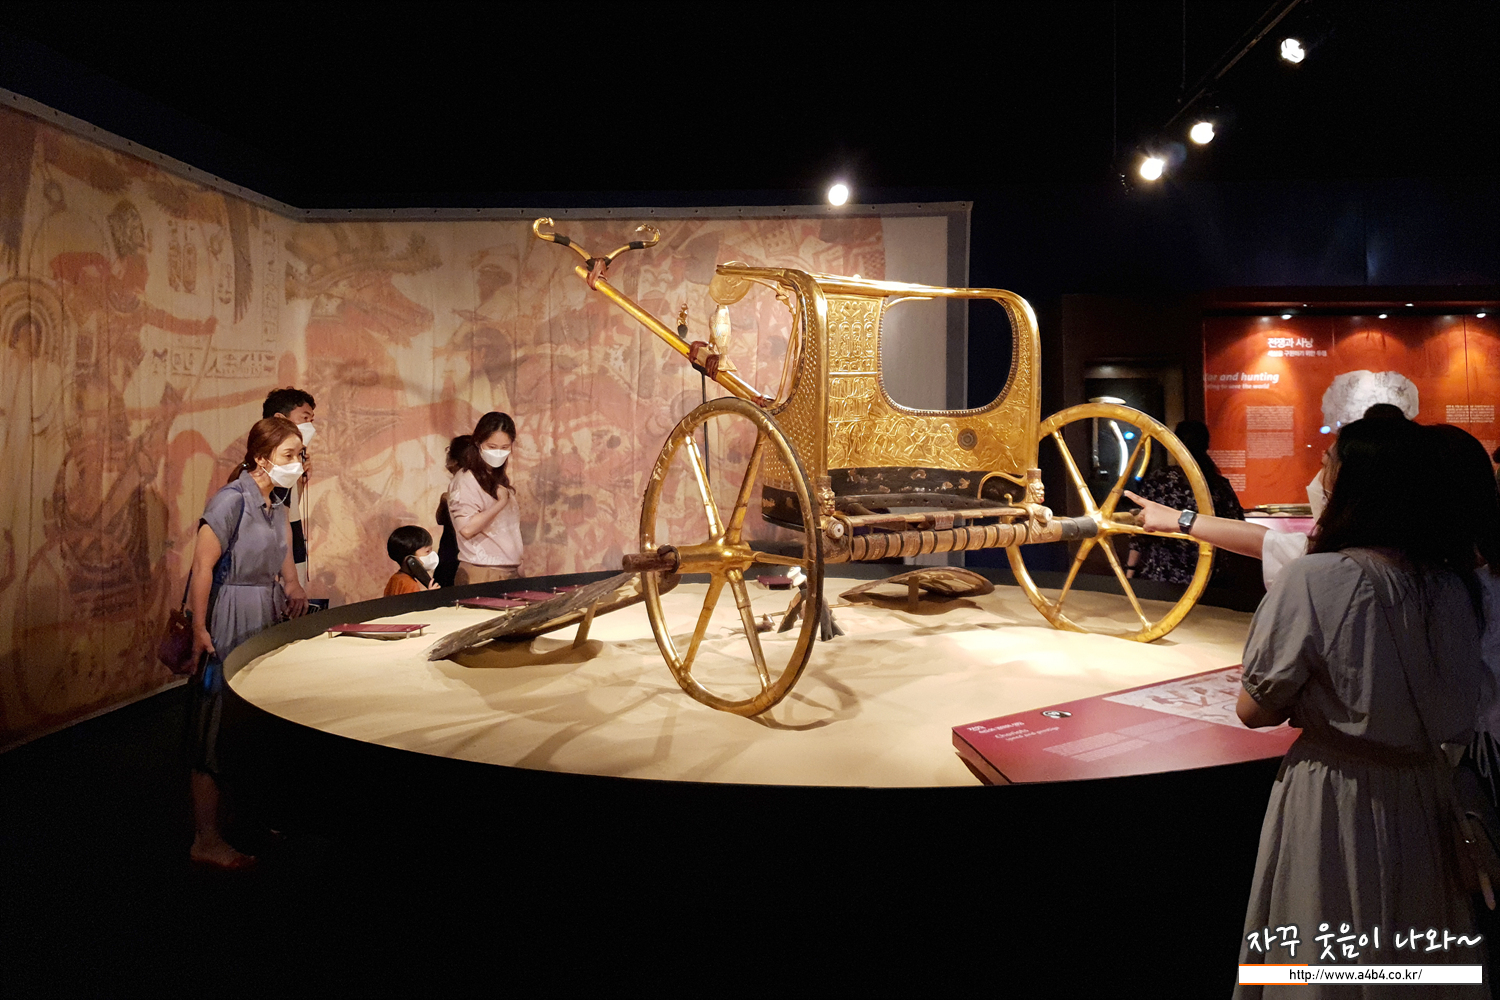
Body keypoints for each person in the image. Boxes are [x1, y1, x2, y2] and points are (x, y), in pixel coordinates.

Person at [1232, 418, 1488, 995]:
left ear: (1353, 481)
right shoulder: (1453, 585)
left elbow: (1255, 710)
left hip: (1335, 794)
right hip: (1425, 794)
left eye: (1328, 461)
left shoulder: (1316, 578)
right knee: (1416, 956)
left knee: (1326, 945)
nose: (1320, 474)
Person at [186, 417, 310, 870]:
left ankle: (246, 817)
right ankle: (206, 837)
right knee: (215, 723)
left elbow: (284, 559)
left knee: (252, 722)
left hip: (263, 616)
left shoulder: (276, 506)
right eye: (288, 455)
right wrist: (200, 627)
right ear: (261, 458)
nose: (297, 463)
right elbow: (202, 566)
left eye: (299, 455)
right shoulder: (231, 500)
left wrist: (293, 587)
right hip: (230, 615)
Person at [1124, 420, 1244, 583]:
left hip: (1165, 574)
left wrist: (1130, 569)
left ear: (1176, 444)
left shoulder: (1160, 480)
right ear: (1206, 445)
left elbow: (1141, 530)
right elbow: (1236, 525)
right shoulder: (1219, 485)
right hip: (1211, 573)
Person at [447, 412, 523, 585]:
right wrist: (500, 503)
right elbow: (466, 528)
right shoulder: (466, 479)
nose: (498, 452)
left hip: (509, 570)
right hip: (482, 572)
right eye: (492, 446)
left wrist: (519, 564)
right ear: (478, 443)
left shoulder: (498, 479)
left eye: (505, 447)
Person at [262, 387, 317, 588]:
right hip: (274, 542)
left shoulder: (295, 461)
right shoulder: (267, 463)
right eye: (305, 418)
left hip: (293, 533)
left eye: (312, 420)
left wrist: (300, 481)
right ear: (279, 418)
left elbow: (290, 506)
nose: (310, 426)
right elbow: (275, 514)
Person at [432, 437, 469, 588]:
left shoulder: (466, 485)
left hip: (460, 557)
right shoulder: (454, 486)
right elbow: (440, 520)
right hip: (450, 554)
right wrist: (443, 501)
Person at [384, 525, 440, 596]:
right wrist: (429, 596)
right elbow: (413, 603)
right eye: (427, 551)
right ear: (410, 560)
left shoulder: (395, 579)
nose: (431, 555)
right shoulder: (410, 584)